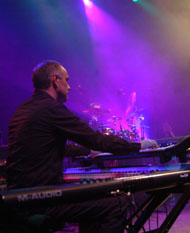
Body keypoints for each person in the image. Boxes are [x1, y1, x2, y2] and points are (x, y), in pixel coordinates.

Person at [6, 60, 158, 233]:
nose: (69, 86)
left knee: (97, 198)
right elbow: (95, 139)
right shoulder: (51, 109)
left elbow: (47, 148)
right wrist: (137, 146)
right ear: (55, 80)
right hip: (42, 200)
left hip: (19, 198)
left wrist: (87, 151)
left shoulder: (23, 110)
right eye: (67, 80)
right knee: (118, 204)